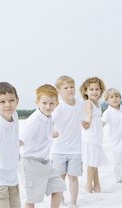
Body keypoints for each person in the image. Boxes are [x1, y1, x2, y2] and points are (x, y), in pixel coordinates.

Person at [19, 84, 66, 208]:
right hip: (30, 163)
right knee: (32, 197)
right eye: (44, 103)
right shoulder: (33, 121)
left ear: (57, 104)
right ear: (37, 102)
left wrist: (52, 132)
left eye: (51, 103)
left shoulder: (48, 117)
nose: (48, 106)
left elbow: (45, 129)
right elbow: (21, 140)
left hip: (45, 162)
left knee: (59, 187)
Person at [51, 75, 86, 208]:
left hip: (75, 149)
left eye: (72, 87)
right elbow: (48, 121)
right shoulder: (58, 106)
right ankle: (61, 200)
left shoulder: (80, 104)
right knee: (60, 177)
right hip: (59, 149)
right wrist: (52, 131)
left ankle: (73, 202)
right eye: (66, 88)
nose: (70, 89)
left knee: (73, 177)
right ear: (59, 91)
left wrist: (86, 124)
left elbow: (84, 118)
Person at [80, 77, 108, 193]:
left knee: (94, 161)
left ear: (101, 90)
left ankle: (97, 185)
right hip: (90, 136)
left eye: (97, 89)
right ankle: (88, 185)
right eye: (91, 89)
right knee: (91, 162)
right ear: (85, 91)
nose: (94, 92)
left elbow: (99, 120)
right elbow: (89, 115)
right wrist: (88, 122)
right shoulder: (88, 103)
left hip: (97, 136)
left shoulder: (98, 104)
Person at [101, 88, 122, 182]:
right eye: (111, 97)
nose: (115, 99)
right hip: (116, 141)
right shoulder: (108, 112)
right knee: (118, 162)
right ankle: (119, 179)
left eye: (117, 96)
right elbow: (101, 122)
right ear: (107, 100)